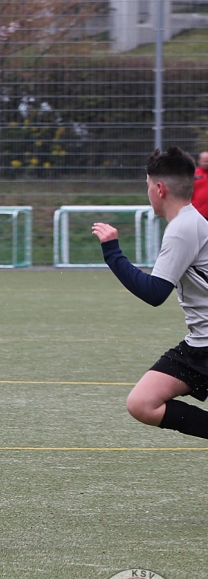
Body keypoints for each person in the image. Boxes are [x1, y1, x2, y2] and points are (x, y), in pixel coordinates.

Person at [92, 146, 208, 441]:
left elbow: (155, 293)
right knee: (142, 403)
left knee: (144, 403)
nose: (147, 192)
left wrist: (112, 252)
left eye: (147, 185)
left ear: (159, 189)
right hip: (199, 343)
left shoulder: (183, 228)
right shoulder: (187, 223)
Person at [192, 150, 208, 219]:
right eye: (205, 161)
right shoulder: (194, 174)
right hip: (197, 213)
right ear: (199, 161)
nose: (206, 163)